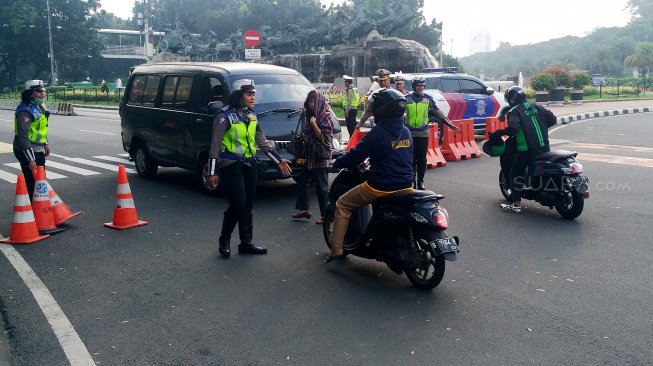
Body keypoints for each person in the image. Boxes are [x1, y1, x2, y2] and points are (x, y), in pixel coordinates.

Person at [326, 88, 414, 263]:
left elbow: (356, 155)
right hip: (406, 185)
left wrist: (336, 163)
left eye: (374, 105)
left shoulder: (378, 133)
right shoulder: (405, 131)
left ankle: (335, 249)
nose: (372, 108)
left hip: (381, 186)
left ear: (383, 109)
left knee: (342, 204)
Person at [207, 79, 292, 257]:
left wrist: (279, 160)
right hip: (231, 165)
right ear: (239, 95)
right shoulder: (224, 116)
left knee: (247, 205)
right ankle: (224, 239)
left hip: (250, 164)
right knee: (237, 204)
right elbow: (215, 145)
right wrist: (212, 172)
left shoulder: (251, 115)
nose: (253, 97)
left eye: (254, 94)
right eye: (249, 94)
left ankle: (246, 243)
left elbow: (262, 141)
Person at [488, 86, 557, 213]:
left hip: (527, 150)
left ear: (511, 99)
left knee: (515, 174)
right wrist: (541, 127)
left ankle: (516, 205)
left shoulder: (514, 111)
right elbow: (553, 119)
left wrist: (499, 133)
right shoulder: (537, 107)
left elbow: (513, 129)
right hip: (545, 148)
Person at [404, 77, 459, 190]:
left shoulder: (427, 99)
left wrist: (449, 124)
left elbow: (439, 113)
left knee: (422, 159)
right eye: (418, 85)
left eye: (422, 85)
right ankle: (412, 182)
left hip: (423, 133)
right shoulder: (407, 99)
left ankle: (421, 181)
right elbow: (399, 114)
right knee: (411, 159)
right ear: (414, 86)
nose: (420, 87)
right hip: (409, 133)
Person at [292, 90, 334, 224]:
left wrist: (314, 124)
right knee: (303, 181)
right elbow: (306, 132)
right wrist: (304, 117)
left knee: (321, 187)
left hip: (321, 156)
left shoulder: (325, 116)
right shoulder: (311, 114)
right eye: (309, 101)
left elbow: (324, 137)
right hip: (309, 155)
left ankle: (326, 215)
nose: (311, 104)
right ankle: (304, 209)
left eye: (313, 101)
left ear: (319, 102)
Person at [13, 80, 51, 200]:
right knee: (33, 181)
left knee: (39, 179)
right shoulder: (25, 110)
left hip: (38, 147)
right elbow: (23, 137)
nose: (42, 94)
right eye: (38, 91)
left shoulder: (39, 106)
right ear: (30, 93)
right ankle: (34, 209)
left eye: (43, 91)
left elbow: (41, 127)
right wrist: (31, 160)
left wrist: (45, 142)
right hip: (27, 149)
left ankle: (41, 207)